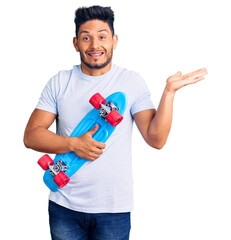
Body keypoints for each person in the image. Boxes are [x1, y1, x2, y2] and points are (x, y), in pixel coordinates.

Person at [24, 5, 208, 240]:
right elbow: (31, 136)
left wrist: (169, 93)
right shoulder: (60, 82)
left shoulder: (131, 82)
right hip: (64, 204)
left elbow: (156, 139)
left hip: (114, 207)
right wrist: (73, 144)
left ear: (114, 40)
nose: (94, 45)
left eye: (102, 36)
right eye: (86, 38)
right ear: (75, 43)